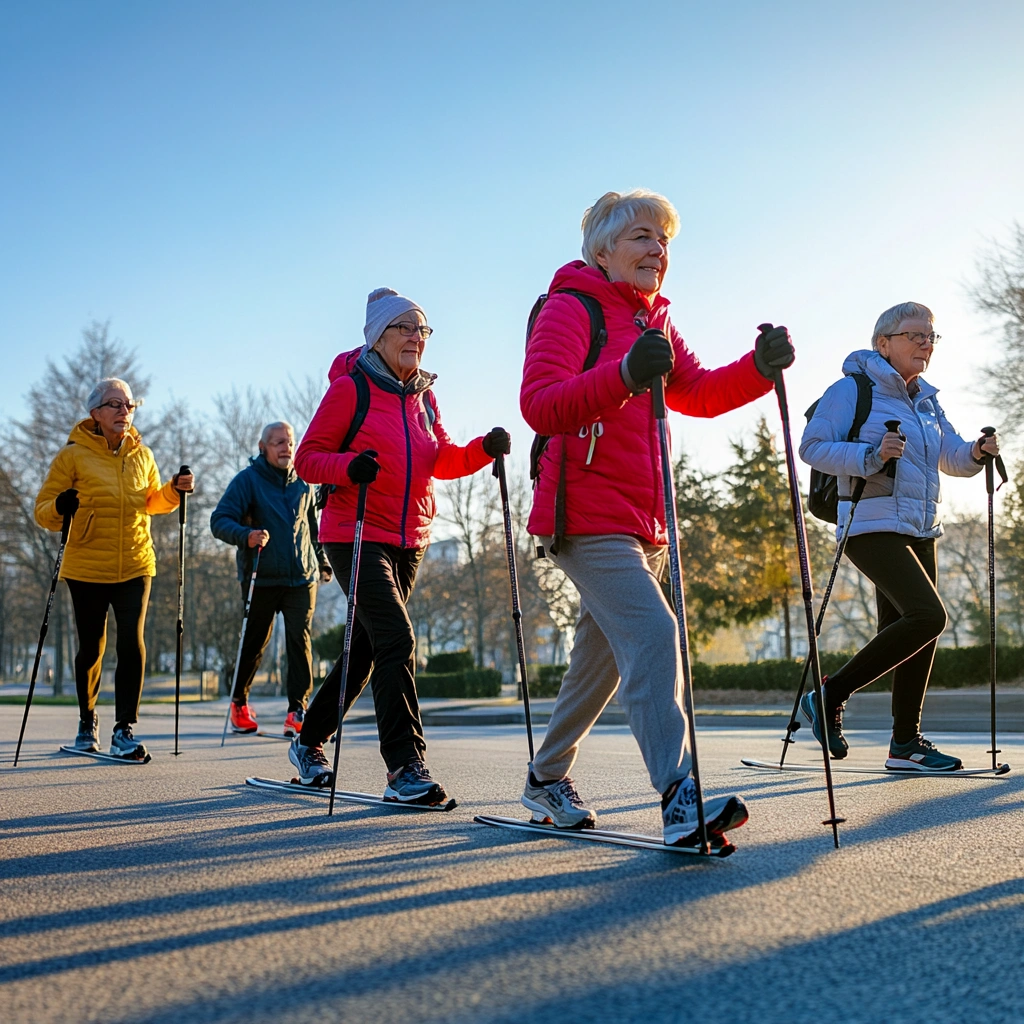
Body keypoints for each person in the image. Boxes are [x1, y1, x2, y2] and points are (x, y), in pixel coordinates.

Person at [519, 189, 794, 846]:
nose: (657, 250)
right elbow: (540, 404)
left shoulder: (655, 321)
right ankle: (679, 796)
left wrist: (758, 369)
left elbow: (696, 392)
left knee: (603, 661)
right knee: (652, 631)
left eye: (664, 239)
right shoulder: (571, 306)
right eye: (643, 236)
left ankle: (546, 777)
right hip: (584, 512)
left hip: (644, 521)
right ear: (605, 247)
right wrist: (622, 374)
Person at [290, 287, 510, 803]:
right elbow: (308, 459)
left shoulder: (426, 397)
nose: (416, 337)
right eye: (405, 328)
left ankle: (308, 741)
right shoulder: (352, 390)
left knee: (368, 650)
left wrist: (482, 450)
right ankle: (405, 768)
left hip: (410, 538)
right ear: (378, 337)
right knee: (397, 638)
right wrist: (350, 467)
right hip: (355, 532)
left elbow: (442, 460)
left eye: (423, 329)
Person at [800, 302, 998, 770]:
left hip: (919, 526)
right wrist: (870, 454)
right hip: (868, 522)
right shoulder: (851, 389)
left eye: (931, 336)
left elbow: (949, 456)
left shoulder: (927, 401)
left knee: (911, 633)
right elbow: (812, 447)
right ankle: (829, 695)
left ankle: (905, 744)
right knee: (929, 616)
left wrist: (974, 451)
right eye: (915, 335)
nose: (926, 343)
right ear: (883, 343)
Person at [34, 378, 193, 759]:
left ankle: (125, 728)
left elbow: (152, 501)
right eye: (114, 404)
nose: (125, 411)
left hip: (136, 562)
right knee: (91, 647)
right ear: (95, 414)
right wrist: (62, 506)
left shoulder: (142, 455)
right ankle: (87, 720)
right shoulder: (71, 456)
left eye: (129, 405)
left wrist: (174, 489)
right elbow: (43, 511)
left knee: (131, 643)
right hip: (86, 564)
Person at [210, 421, 332, 737]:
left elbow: (312, 529)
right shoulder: (247, 481)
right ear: (263, 447)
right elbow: (219, 520)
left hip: (301, 577)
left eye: (289, 442)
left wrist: (321, 562)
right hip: (261, 577)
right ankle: (239, 702)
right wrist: (245, 535)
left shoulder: (304, 482)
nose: (285, 448)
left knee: (299, 640)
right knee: (254, 642)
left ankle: (298, 710)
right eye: (278, 442)